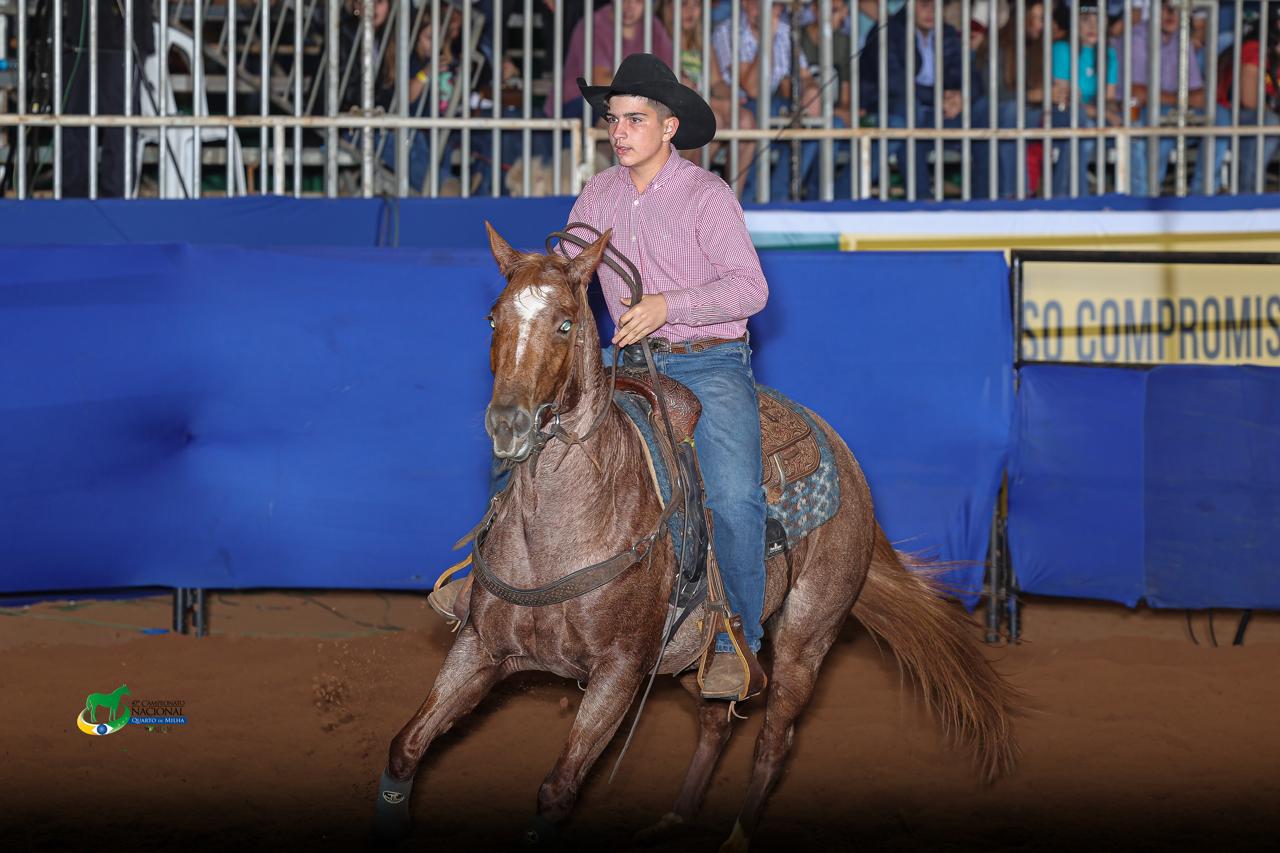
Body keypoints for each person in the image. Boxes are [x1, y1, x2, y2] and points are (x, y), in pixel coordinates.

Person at [858, 0, 993, 199]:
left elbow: (971, 77)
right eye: (924, 5)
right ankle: (921, 197)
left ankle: (983, 200)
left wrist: (962, 97)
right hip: (896, 111)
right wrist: (938, 98)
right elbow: (894, 83)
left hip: (942, 112)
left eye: (935, 6)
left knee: (984, 108)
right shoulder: (888, 32)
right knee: (909, 110)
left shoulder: (946, 33)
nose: (930, 11)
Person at [60, 0, 155, 197]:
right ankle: (73, 202)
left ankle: (115, 202)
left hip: (123, 36)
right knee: (74, 123)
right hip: (78, 37)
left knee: (120, 125)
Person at [1113, 1, 1209, 195]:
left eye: (1176, 7)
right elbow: (1136, 93)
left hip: (1161, 108)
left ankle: (1203, 196)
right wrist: (1180, 99)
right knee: (1161, 121)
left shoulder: (1183, 38)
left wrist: (1171, 99)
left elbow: (1200, 96)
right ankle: (1147, 198)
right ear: (1154, 9)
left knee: (1220, 118)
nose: (1171, 13)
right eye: (1167, 7)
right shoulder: (1138, 36)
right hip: (1126, 107)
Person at [660, 0, 757, 186]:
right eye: (684, 4)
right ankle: (687, 190)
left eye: (696, 5)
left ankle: (732, 196)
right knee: (715, 121)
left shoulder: (702, 43)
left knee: (746, 120)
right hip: (675, 114)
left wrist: (732, 96)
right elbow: (677, 90)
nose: (690, 11)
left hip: (704, 105)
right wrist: (719, 103)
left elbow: (717, 82)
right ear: (668, 7)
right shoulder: (660, 40)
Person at [1204, 9, 1280, 194]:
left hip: (1263, 111)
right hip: (1231, 112)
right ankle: (1248, 194)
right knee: (1268, 123)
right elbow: (1249, 100)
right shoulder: (1255, 47)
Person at [1048, 1, 1118, 197]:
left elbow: (1109, 98)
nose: (1092, 27)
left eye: (1098, 20)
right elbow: (1065, 99)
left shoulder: (1109, 54)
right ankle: (1075, 197)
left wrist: (1117, 109)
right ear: (1074, 23)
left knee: (1135, 130)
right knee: (1080, 127)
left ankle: (1135, 200)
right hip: (1063, 115)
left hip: (1096, 116)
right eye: (1086, 20)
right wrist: (1103, 112)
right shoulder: (1062, 49)